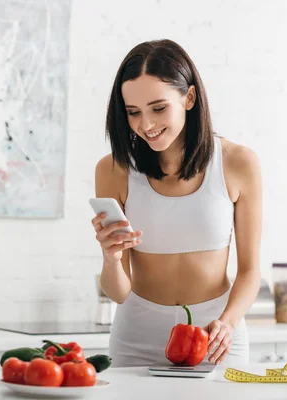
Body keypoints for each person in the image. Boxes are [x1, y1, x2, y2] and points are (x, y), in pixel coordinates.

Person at [92, 39, 262, 367]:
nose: (146, 125)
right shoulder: (113, 170)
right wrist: (111, 259)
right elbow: (118, 292)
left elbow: (250, 270)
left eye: (158, 108)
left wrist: (227, 323)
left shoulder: (238, 163)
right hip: (136, 336)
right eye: (133, 112)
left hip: (216, 337)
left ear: (189, 97)